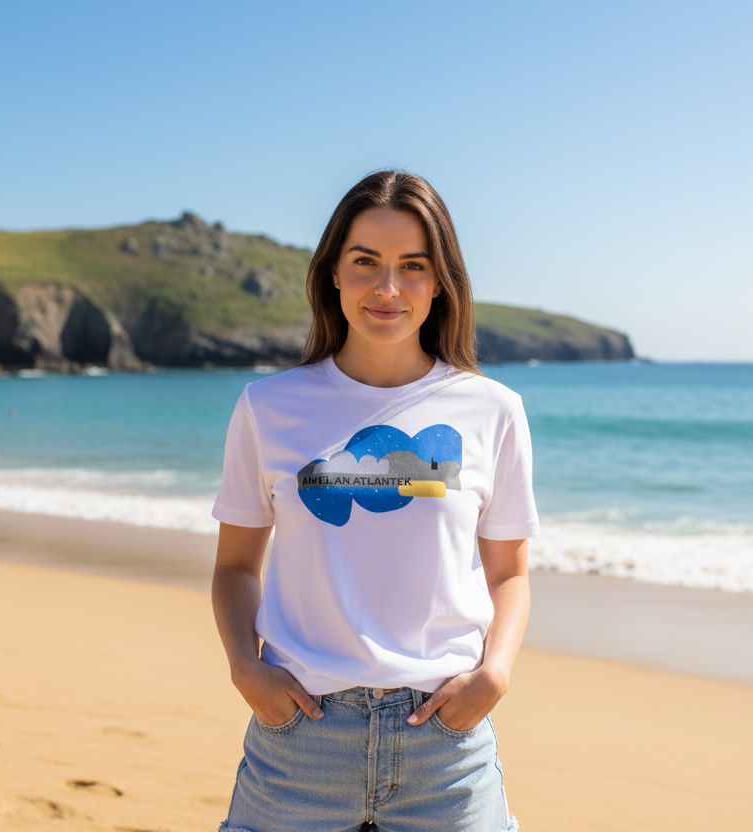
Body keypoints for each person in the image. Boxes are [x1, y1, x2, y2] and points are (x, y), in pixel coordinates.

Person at [211, 170, 539, 832]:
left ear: (440, 281)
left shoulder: (494, 410)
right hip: (301, 737)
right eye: (366, 262)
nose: (388, 288)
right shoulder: (268, 407)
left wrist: (495, 673)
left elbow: (510, 574)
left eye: (413, 266)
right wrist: (245, 668)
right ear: (334, 272)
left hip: (444, 743)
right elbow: (236, 568)